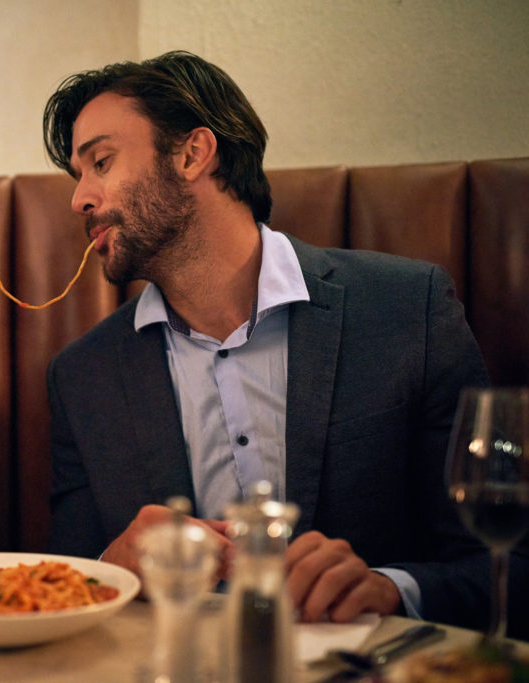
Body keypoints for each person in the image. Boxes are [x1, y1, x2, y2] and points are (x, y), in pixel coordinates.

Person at [41, 51, 494, 631]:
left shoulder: (408, 310)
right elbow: (66, 576)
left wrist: (389, 588)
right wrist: (111, 565)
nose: (80, 199)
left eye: (100, 162)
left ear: (192, 154)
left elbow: (504, 563)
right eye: (77, 176)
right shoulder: (83, 376)